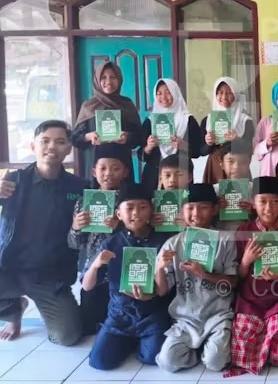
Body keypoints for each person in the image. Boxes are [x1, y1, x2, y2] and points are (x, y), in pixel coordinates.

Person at [0, 120, 85, 345]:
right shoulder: (13, 181)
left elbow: (83, 237)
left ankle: (33, 303)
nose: (52, 147)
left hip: (49, 276)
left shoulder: (79, 187)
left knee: (67, 337)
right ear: (33, 146)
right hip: (8, 268)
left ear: (69, 148)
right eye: (45, 141)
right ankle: (13, 309)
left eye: (60, 142)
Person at [85, 183, 171, 370]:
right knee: (99, 362)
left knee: (151, 358)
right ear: (118, 214)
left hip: (152, 314)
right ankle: (122, 338)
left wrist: (158, 273)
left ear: (151, 211)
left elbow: (164, 291)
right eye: (129, 208)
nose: (136, 213)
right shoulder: (111, 243)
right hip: (119, 315)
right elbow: (87, 286)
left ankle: (136, 340)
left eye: (143, 207)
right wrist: (95, 265)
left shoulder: (163, 241)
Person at [225, 177, 278, 376]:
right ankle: (261, 338)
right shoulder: (244, 231)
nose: (268, 208)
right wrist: (246, 261)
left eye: (275, 201)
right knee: (240, 356)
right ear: (253, 203)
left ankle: (267, 337)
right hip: (250, 300)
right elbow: (238, 276)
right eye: (262, 201)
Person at [155, 184, 238, 373]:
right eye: (190, 208)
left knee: (215, 363)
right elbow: (161, 290)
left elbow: (233, 283)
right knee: (168, 362)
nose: (196, 214)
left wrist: (204, 274)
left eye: (203, 207)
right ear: (182, 210)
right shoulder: (173, 243)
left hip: (218, 316)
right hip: (185, 318)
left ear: (215, 209)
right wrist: (159, 269)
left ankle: (208, 351)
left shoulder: (226, 240)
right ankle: (197, 351)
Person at [67, 143, 127, 335]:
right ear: (94, 172)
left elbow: (142, 237)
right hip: (94, 273)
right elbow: (74, 244)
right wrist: (76, 227)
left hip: (122, 273)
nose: (108, 173)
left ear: (125, 172)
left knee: (120, 322)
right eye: (103, 168)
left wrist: (120, 227)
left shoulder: (130, 203)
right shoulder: (84, 202)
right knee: (88, 327)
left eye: (115, 168)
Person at [71, 62, 143, 180]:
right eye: (103, 77)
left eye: (113, 77)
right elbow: (74, 138)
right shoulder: (88, 106)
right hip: (96, 167)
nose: (108, 81)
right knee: (97, 192)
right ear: (97, 80)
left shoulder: (127, 105)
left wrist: (127, 137)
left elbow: (139, 137)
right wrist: (88, 137)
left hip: (122, 165)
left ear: (119, 80)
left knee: (124, 192)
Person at [140, 79, 202, 194]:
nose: (163, 97)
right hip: (154, 176)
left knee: (182, 203)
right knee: (153, 204)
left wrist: (184, 146)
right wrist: (149, 147)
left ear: (175, 93)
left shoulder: (188, 120)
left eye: (168, 92)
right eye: (159, 93)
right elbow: (141, 155)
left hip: (181, 175)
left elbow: (198, 152)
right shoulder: (150, 122)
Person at [200, 77, 255, 184]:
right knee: (215, 194)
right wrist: (208, 143)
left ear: (236, 95)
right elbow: (202, 152)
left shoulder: (245, 120)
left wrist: (237, 140)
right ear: (215, 95)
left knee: (239, 193)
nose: (224, 97)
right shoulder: (207, 120)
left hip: (238, 167)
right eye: (220, 92)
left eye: (229, 93)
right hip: (215, 166)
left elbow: (250, 149)